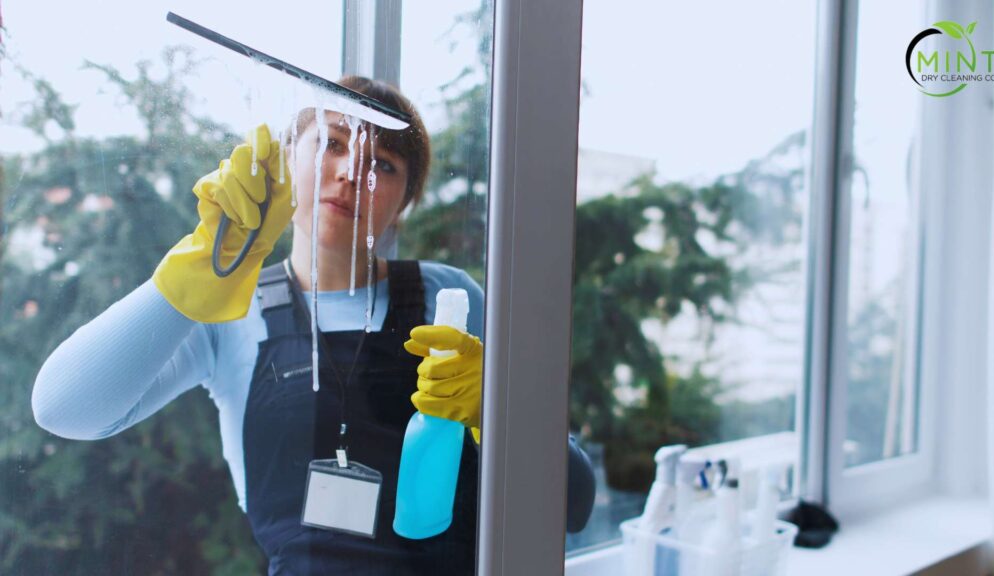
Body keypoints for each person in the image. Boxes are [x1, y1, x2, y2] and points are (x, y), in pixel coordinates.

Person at [31, 76, 595, 575]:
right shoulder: (231, 309)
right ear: (287, 159)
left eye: (384, 164)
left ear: (403, 202)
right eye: (332, 143)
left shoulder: (446, 298)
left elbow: (574, 502)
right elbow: (64, 409)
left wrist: (500, 414)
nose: (353, 173)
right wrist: (197, 268)